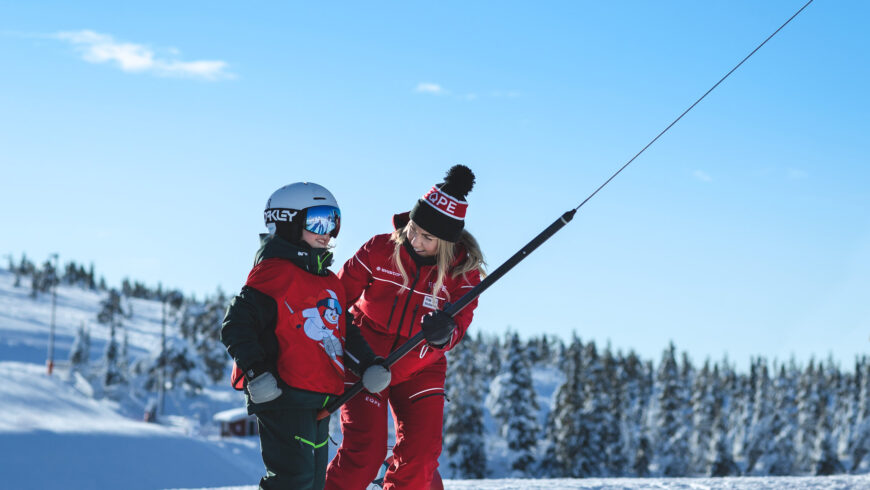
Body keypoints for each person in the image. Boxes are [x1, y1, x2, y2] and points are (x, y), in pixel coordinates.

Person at [220, 182, 392, 490]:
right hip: (282, 394)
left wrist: (367, 364)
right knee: (292, 480)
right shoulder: (273, 273)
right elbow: (236, 324)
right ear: (287, 221)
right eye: (319, 221)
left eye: (333, 222)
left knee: (313, 482)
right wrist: (256, 372)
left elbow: (343, 333)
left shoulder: (329, 282)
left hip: (319, 396)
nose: (328, 231)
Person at [325, 165, 486, 489]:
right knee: (365, 453)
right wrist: (354, 353)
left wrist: (444, 333)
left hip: (420, 363)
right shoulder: (380, 249)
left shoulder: (463, 273)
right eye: (413, 228)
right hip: (366, 360)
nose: (415, 240)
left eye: (427, 237)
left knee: (421, 455)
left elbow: (461, 321)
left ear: (447, 243)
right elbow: (335, 299)